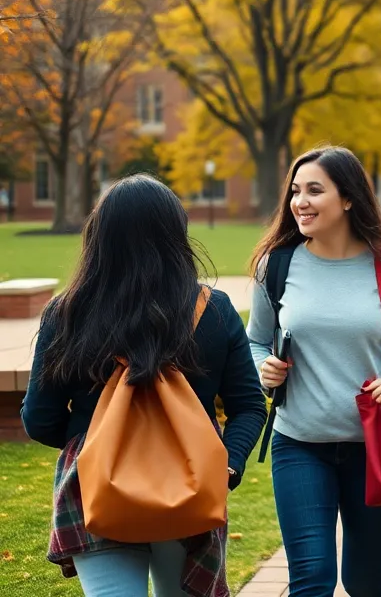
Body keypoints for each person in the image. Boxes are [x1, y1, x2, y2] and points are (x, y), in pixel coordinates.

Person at [21, 174, 267, 597]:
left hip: (96, 490)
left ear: (99, 236)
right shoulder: (214, 310)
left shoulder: (66, 315)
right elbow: (249, 405)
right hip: (189, 485)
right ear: (176, 234)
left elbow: (40, 419)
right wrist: (228, 464)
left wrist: (100, 448)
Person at [246, 146, 381, 597]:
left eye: (315, 190)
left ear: (349, 198)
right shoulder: (276, 265)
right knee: (311, 580)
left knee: (366, 579)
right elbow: (255, 339)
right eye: (296, 191)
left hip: (378, 449)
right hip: (299, 444)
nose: (300, 201)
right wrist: (264, 366)